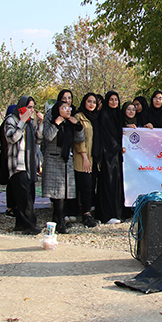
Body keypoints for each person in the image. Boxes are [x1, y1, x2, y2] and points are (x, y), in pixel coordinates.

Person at [4, 95, 44, 235]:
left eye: (32, 107)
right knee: (23, 196)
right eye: (28, 107)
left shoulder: (30, 122)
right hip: (18, 163)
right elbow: (11, 138)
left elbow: (38, 139)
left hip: (30, 164)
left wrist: (40, 123)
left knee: (29, 194)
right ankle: (29, 225)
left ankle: (20, 224)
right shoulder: (11, 120)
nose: (31, 110)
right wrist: (21, 122)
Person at [42, 100, 83, 234]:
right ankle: (60, 221)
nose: (67, 110)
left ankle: (57, 219)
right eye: (64, 108)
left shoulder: (69, 122)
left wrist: (77, 126)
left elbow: (80, 139)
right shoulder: (50, 119)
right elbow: (48, 136)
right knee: (57, 193)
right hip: (53, 159)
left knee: (64, 193)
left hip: (66, 159)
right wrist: (56, 123)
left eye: (68, 108)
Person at [97, 91, 124, 224]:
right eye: (111, 100)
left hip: (117, 155)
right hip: (108, 155)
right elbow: (106, 136)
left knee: (117, 183)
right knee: (109, 182)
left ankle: (117, 213)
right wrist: (117, 147)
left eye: (116, 100)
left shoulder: (118, 115)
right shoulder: (104, 115)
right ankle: (107, 214)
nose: (114, 102)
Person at [74, 93, 99, 227]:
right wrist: (84, 157)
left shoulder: (96, 117)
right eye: (89, 101)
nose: (91, 104)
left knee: (91, 186)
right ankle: (85, 215)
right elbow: (78, 140)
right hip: (83, 158)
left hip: (94, 158)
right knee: (86, 186)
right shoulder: (79, 117)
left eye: (94, 102)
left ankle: (88, 212)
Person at [0, 105, 17, 218]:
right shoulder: (8, 124)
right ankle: (10, 207)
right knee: (11, 183)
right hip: (8, 156)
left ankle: (12, 206)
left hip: (7, 155)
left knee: (12, 184)